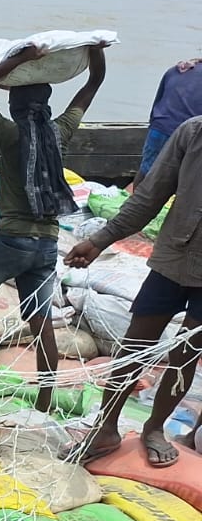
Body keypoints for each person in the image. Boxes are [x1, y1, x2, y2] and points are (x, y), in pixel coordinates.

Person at [0, 43, 107, 413]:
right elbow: (93, 82)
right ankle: (46, 399)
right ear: (47, 104)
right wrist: (96, 51)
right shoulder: (60, 131)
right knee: (40, 323)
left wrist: (18, 60)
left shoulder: (10, 134)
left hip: (10, 240)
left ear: (15, 108)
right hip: (46, 244)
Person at [67, 116, 202, 467]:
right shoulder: (192, 132)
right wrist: (100, 239)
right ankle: (106, 426)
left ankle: (154, 428)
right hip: (173, 257)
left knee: (186, 353)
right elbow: (150, 196)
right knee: (135, 344)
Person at [137, 57, 202, 181]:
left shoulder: (177, 69)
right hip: (190, 136)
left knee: (146, 173)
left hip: (160, 129)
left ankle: (135, 198)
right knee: (187, 182)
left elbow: (156, 105)